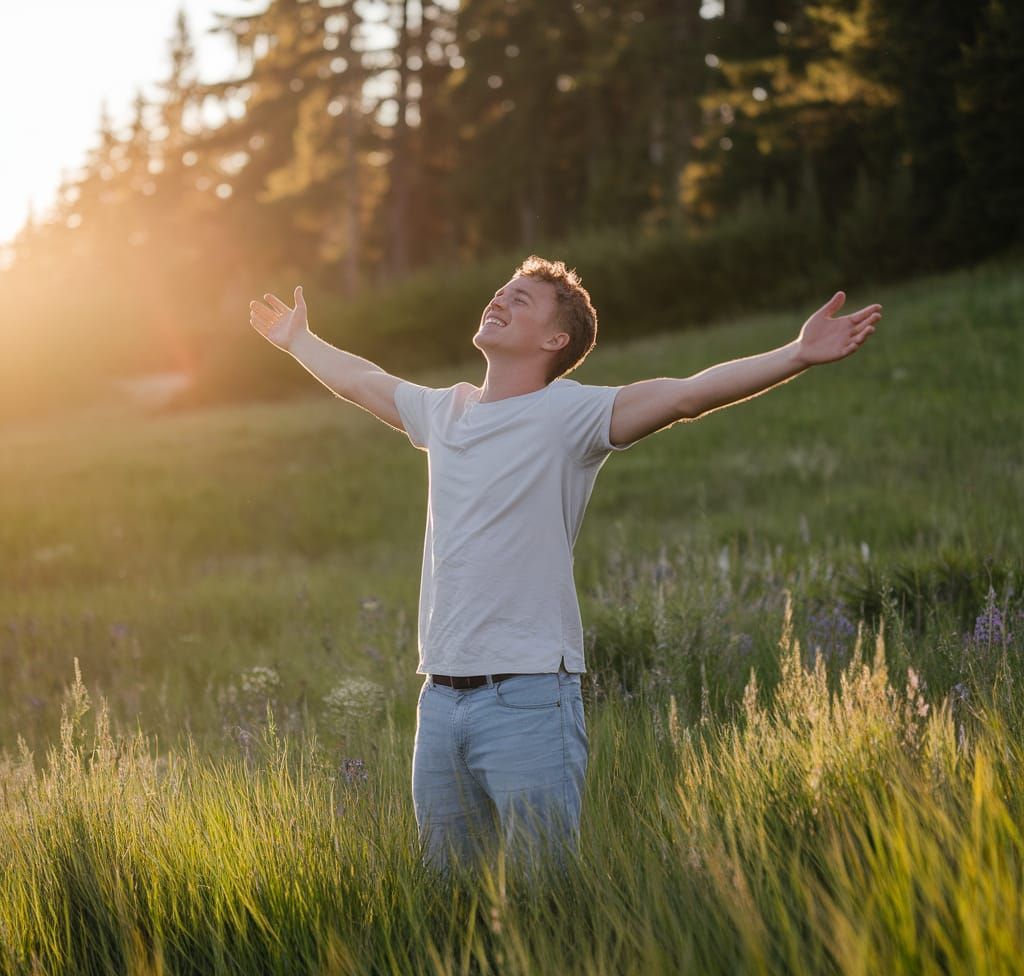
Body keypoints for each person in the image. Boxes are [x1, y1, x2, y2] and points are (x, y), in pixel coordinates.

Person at [249, 256, 881, 873]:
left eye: (519, 299)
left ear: (556, 338)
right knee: (447, 898)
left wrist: (795, 355)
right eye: (499, 292)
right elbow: (363, 380)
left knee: (543, 896)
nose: (497, 300)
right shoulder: (446, 413)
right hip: (439, 700)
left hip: (528, 698)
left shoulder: (569, 415)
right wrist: (299, 340)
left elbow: (687, 395)